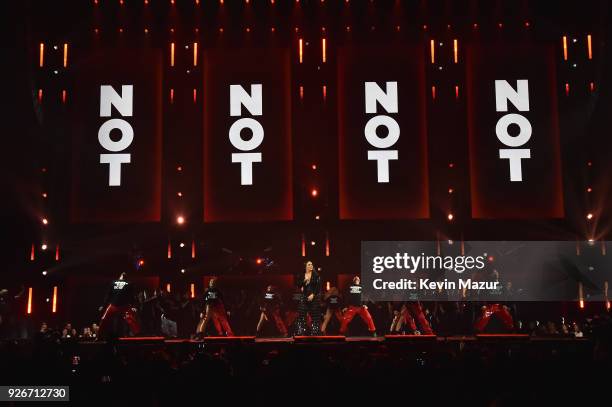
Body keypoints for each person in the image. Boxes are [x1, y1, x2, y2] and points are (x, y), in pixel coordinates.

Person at [98, 272, 141, 339]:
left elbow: (132, 296)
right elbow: (108, 295)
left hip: (123, 306)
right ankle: (99, 336)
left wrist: (133, 306)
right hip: (114, 305)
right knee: (104, 319)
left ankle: (138, 335)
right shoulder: (114, 282)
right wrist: (103, 305)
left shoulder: (128, 283)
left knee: (130, 319)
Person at [295, 260, 322, 336]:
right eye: (309, 264)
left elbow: (318, 287)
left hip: (314, 298)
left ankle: (315, 332)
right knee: (301, 314)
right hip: (304, 297)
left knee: (315, 315)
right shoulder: (302, 275)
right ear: (306, 266)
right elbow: (299, 286)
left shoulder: (316, 275)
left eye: (311, 264)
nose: (311, 266)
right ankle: (301, 331)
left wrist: (313, 295)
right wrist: (304, 281)